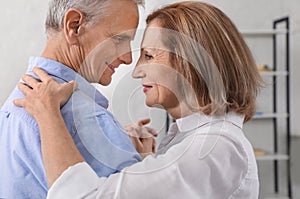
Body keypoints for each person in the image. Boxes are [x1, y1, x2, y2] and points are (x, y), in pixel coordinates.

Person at [15, 1, 263, 198]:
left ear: (191, 63)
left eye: (149, 55)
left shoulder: (215, 149)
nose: (135, 71)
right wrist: (144, 163)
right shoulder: (194, 139)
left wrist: (49, 116)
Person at [0, 0, 156, 198]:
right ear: (74, 26)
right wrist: (143, 165)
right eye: (118, 39)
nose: (128, 59)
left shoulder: (11, 108)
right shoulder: (86, 120)